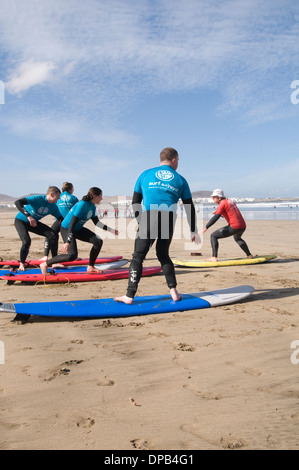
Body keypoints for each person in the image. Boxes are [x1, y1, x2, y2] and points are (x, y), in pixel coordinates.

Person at [115, 147, 200, 305]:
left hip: (149, 215)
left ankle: (129, 295)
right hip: (169, 217)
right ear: (174, 159)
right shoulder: (180, 179)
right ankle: (173, 291)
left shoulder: (145, 174)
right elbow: (189, 206)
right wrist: (193, 229)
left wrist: (141, 221)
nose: (178, 164)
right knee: (163, 254)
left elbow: (135, 202)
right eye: (178, 161)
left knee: (138, 257)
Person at [40, 187, 118, 275]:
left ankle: (90, 266)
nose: (102, 198)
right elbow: (72, 224)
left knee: (98, 241)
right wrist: (68, 242)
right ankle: (45, 264)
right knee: (72, 255)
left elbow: (97, 223)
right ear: (95, 196)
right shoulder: (82, 205)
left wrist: (110, 230)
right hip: (67, 228)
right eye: (100, 196)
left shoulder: (92, 207)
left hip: (77, 229)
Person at [14, 186, 63, 271]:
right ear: (51, 194)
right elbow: (17, 202)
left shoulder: (53, 206)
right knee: (26, 241)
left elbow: (60, 219)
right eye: (58, 196)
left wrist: (67, 227)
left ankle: (54, 261)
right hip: (21, 220)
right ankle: (22, 263)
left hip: (33, 223)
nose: (59, 199)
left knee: (53, 235)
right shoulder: (37, 198)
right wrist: (28, 216)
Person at [201, 189, 253, 262]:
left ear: (219, 197)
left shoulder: (222, 203)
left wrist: (206, 227)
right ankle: (249, 255)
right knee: (237, 238)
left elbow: (216, 217)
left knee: (213, 236)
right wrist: (220, 213)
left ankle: (214, 257)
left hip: (234, 227)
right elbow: (231, 212)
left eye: (214, 197)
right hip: (242, 226)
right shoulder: (230, 201)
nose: (212, 198)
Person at [43, 182, 79, 259]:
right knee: (69, 238)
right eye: (73, 189)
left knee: (50, 235)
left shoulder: (58, 197)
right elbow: (78, 211)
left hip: (59, 221)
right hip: (69, 222)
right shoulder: (74, 198)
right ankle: (72, 255)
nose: (73, 190)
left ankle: (46, 256)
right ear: (70, 189)